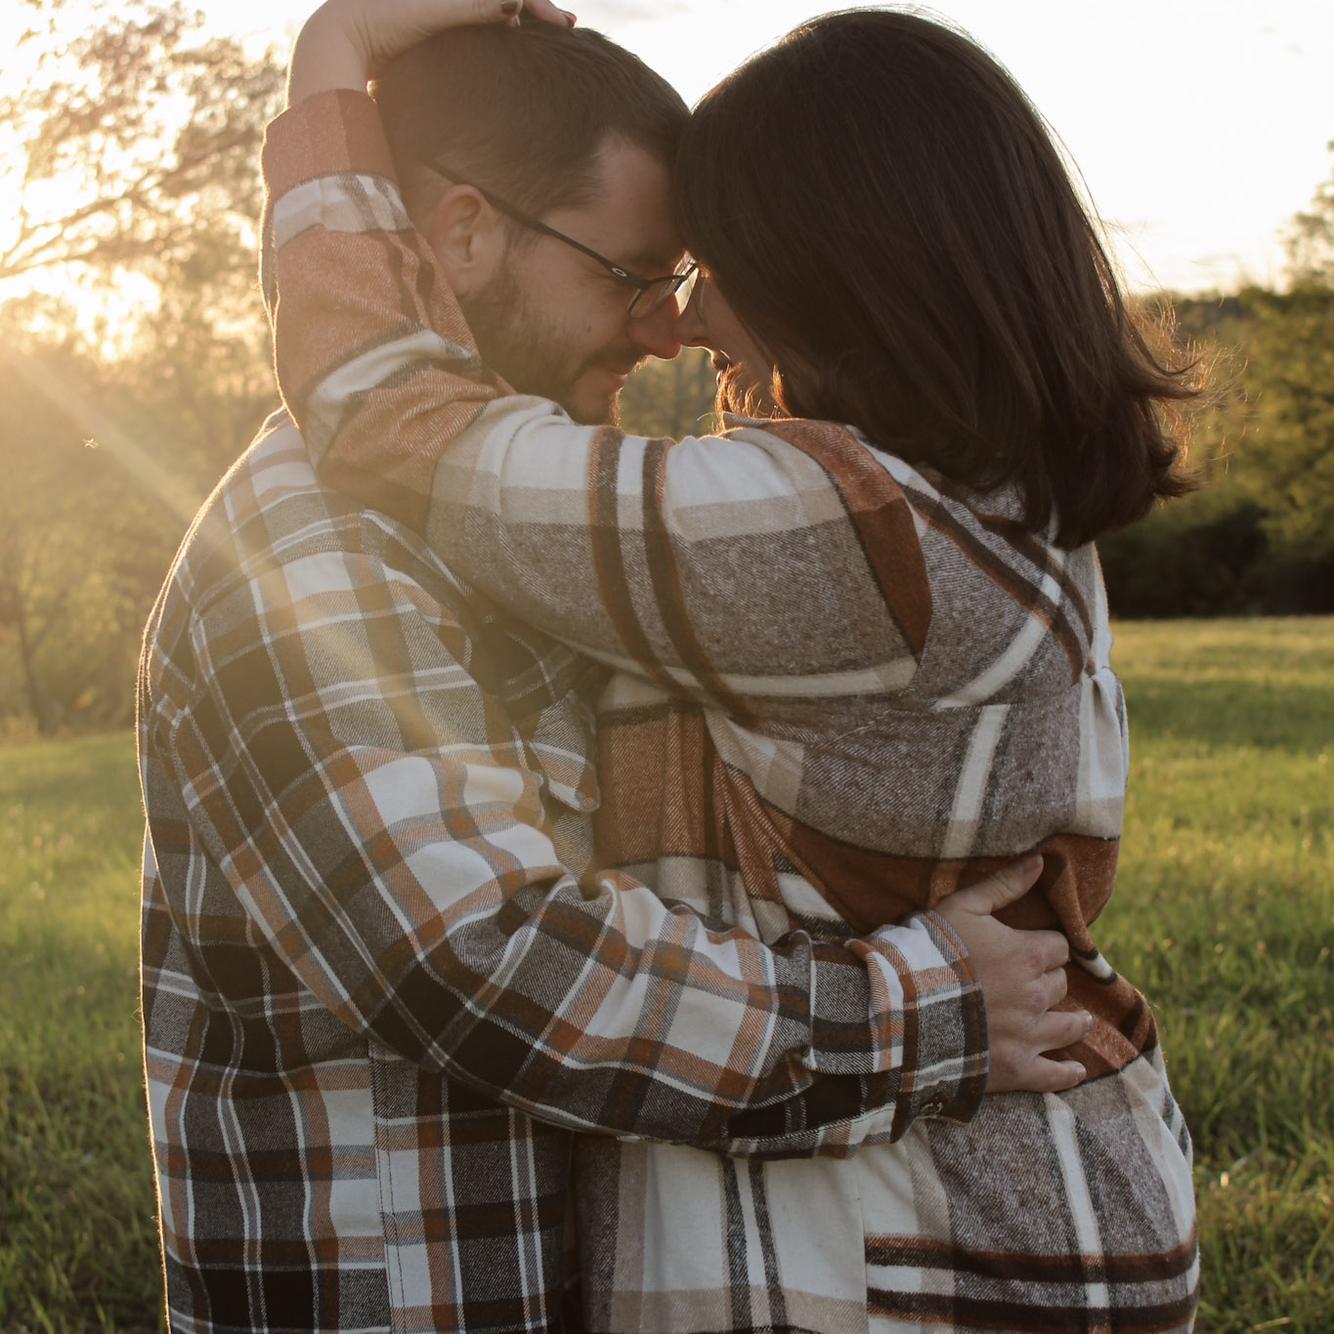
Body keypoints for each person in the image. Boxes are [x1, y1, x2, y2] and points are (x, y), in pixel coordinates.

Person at [261, 1, 1202, 1330]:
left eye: (708, 261)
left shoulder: (846, 530)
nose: (685, 316)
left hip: (931, 1258)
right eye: (652, 270)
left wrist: (333, 55)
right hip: (1017, 1223)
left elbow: (381, 410)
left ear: (840, 268)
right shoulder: (986, 503)